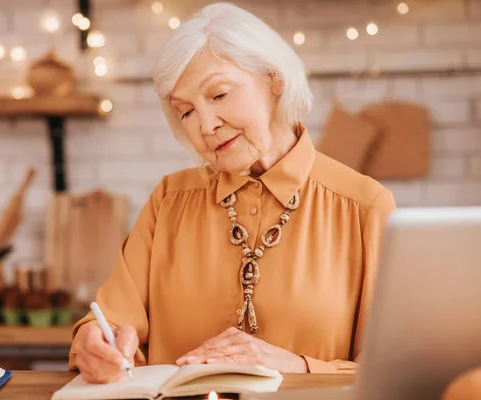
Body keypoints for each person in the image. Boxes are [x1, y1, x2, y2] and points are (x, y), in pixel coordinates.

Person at [69, 2, 396, 384]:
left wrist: (297, 366)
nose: (205, 125)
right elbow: (108, 322)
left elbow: (392, 369)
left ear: (274, 81)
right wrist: (94, 343)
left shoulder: (365, 207)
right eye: (186, 111)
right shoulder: (168, 200)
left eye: (219, 95)